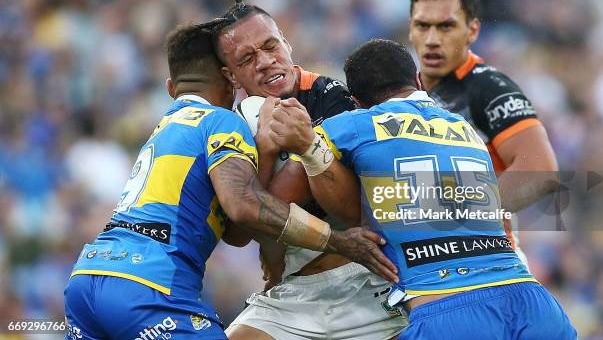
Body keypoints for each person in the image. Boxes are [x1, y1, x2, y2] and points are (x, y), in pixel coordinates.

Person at [63, 24, 397, 340]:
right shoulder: (220, 121)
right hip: (147, 284)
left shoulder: (164, 128)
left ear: (170, 88)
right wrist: (339, 241)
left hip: (86, 280)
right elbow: (243, 206)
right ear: (229, 78)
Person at [269, 38, 577, 340]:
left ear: (358, 102)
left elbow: (277, 201)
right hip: (531, 301)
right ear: (419, 81)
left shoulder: (350, 125)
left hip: (445, 312)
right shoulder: (466, 129)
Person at [201, 0, 407, 340]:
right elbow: (239, 233)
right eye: (247, 58)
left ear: (287, 44)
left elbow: (344, 207)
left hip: (363, 282)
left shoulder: (333, 97)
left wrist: (263, 207)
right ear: (231, 75)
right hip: (291, 296)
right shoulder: (230, 125)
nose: (265, 61)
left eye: (270, 46)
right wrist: (263, 150)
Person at [407, 0, 559, 215]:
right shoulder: (401, 89)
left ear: (472, 31)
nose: (432, 39)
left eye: (446, 26)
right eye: (423, 26)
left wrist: (461, 220)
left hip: (478, 251)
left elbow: (541, 171)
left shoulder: (489, 87)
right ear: (410, 29)